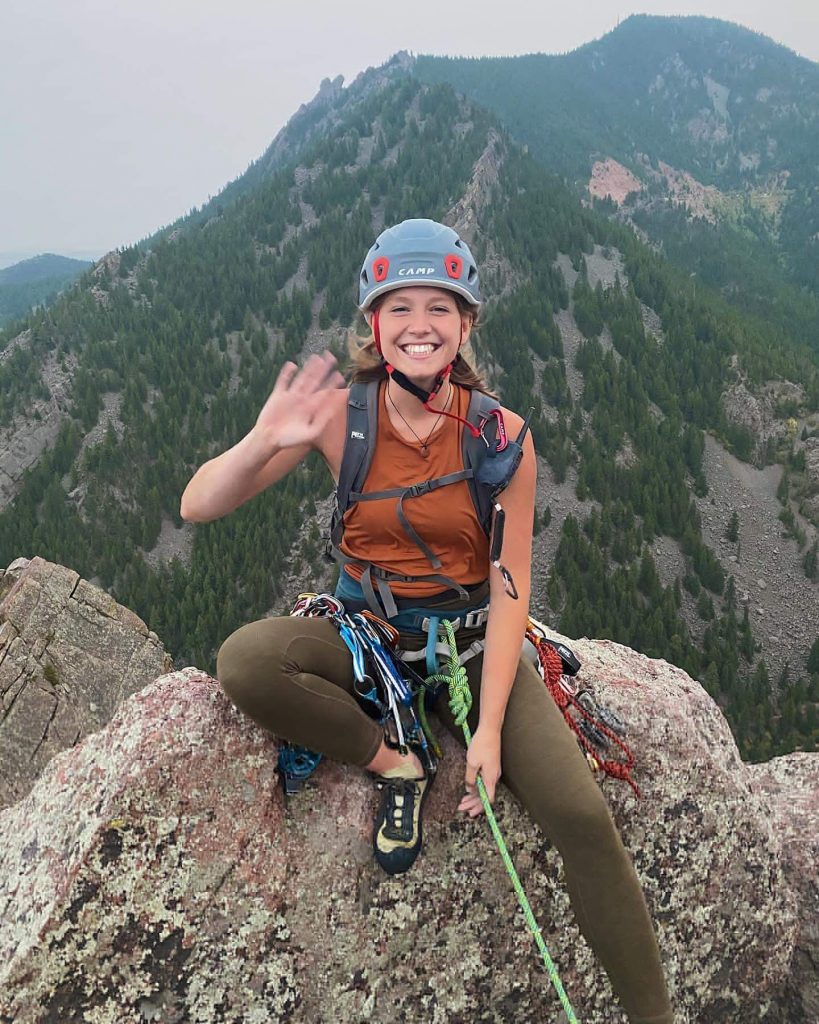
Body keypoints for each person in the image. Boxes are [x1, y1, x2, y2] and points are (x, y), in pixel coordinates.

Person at [181, 219, 673, 1023]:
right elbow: (197, 504)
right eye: (398, 306)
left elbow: (510, 583)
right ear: (374, 326)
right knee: (246, 662)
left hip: (474, 645)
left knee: (582, 817)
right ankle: (395, 761)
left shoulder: (500, 436)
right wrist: (262, 440)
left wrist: (485, 735)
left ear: (466, 323)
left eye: (438, 307)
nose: (419, 325)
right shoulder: (343, 417)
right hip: (367, 636)